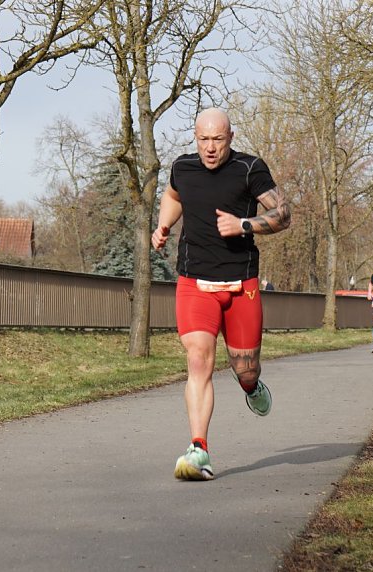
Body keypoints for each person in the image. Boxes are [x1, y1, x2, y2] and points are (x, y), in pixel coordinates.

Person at [151, 108, 291, 481]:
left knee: (244, 371)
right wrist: (164, 224)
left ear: (230, 137)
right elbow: (173, 194)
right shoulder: (183, 167)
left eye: (217, 139)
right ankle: (199, 449)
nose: (210, 148)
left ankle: (251, 385)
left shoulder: (250, 169)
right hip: (194, 283)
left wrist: (244, 224)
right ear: (195, 138)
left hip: (241, 285)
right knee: (198, 358)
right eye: (203, 140)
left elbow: (283, 213)